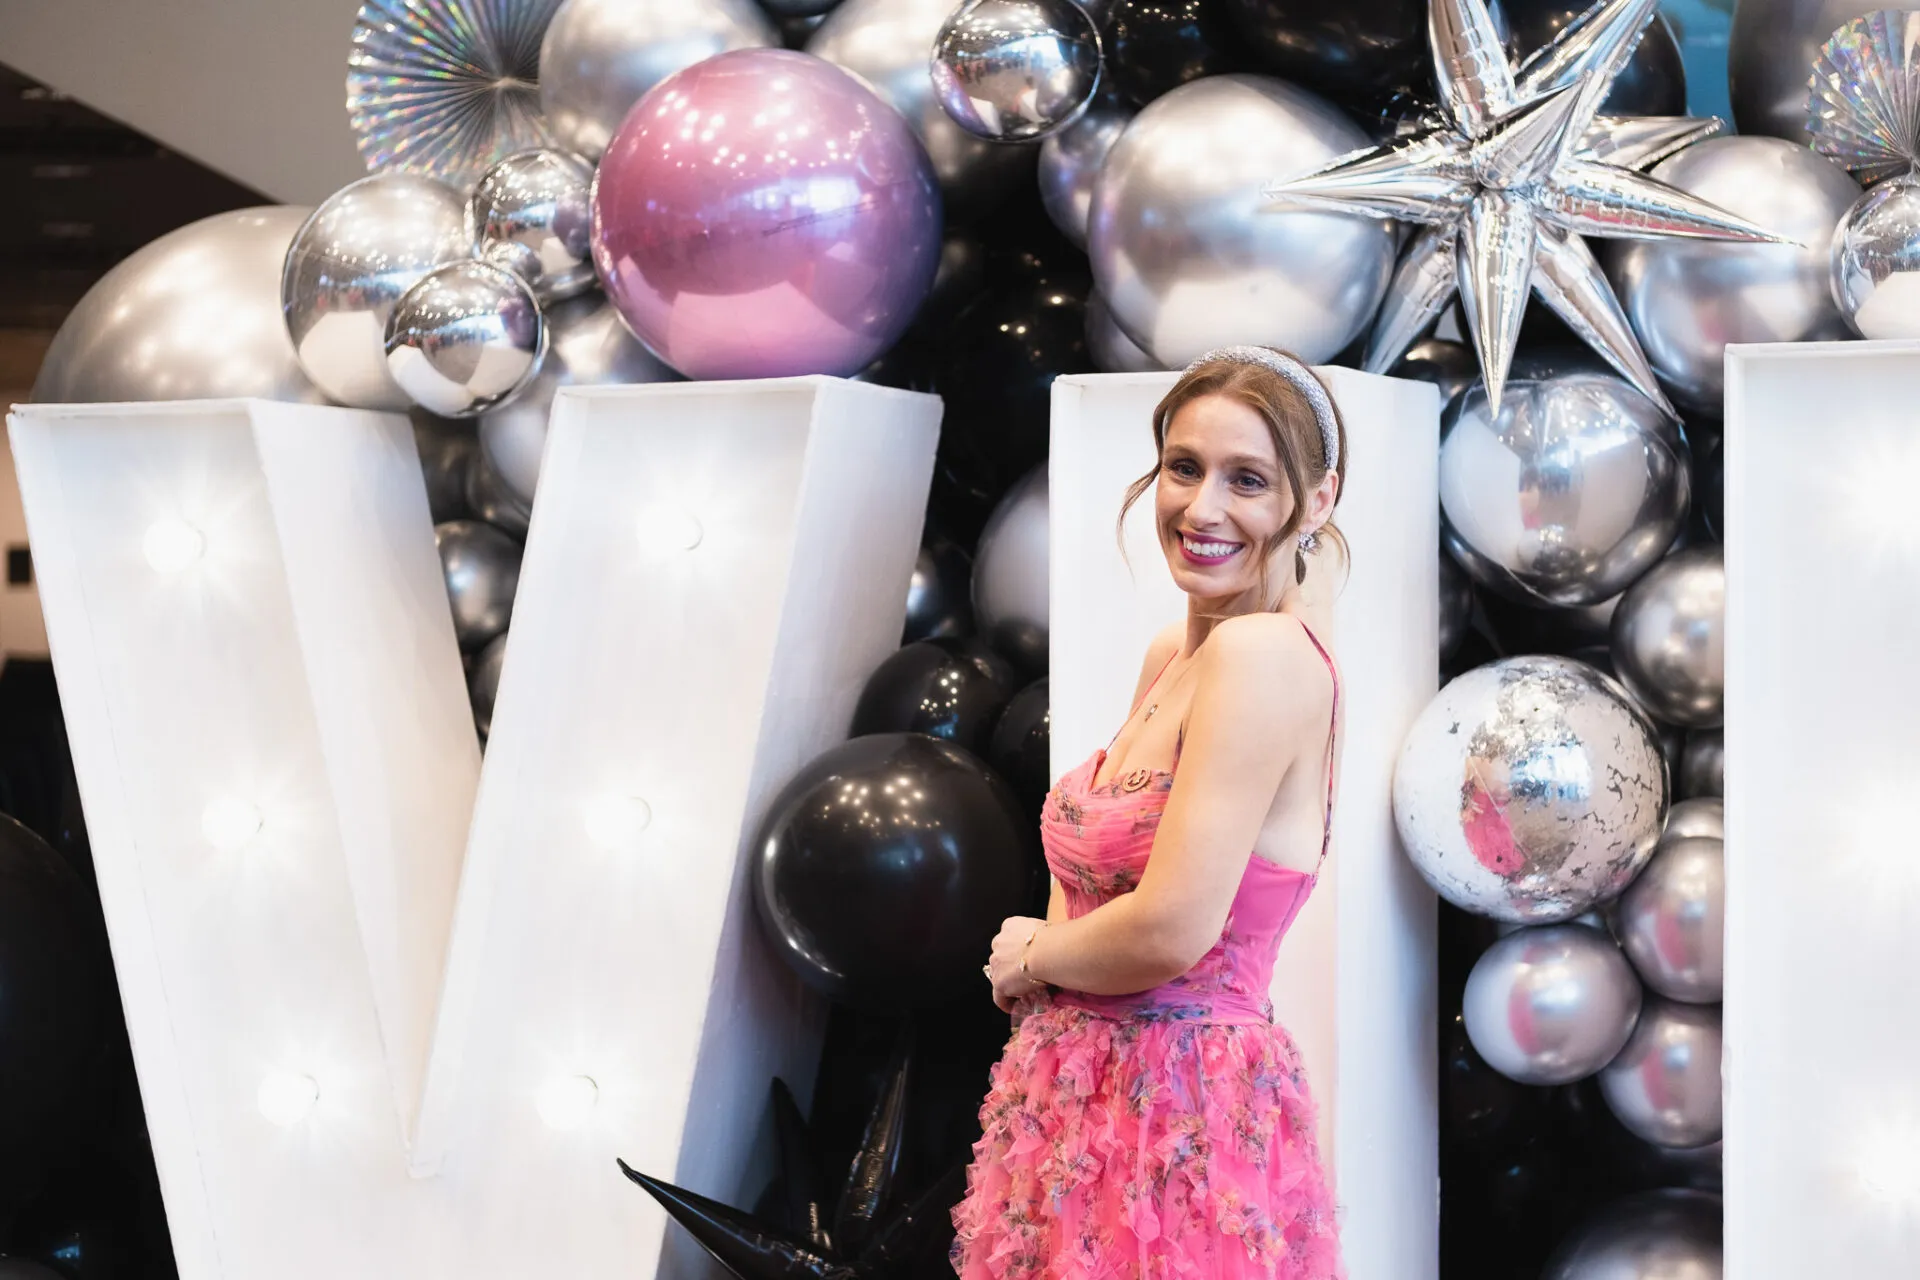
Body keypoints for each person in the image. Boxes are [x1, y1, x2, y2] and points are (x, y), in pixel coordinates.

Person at [949, 345, 1349, 1280]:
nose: (1202, 509)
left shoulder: (1266, 658)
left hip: (1182, 1109)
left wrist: (1032, 956)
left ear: (1314, 504)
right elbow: (1094, 868)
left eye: (1247, 480)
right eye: (1184, 467)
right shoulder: (1178, 650)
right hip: (1075, 1095)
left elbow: (1173, 925)